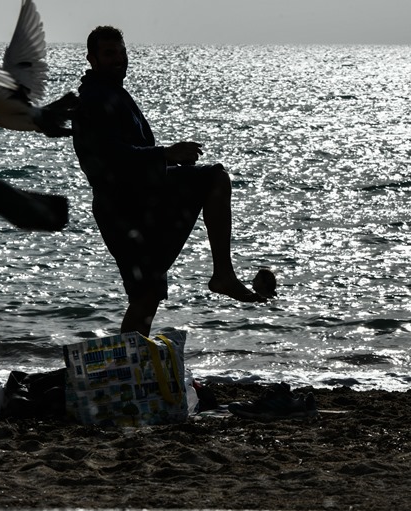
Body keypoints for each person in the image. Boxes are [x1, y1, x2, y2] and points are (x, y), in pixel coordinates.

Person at [71, 26, 266, 336]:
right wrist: (163, 155)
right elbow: (109, 157)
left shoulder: (111, 93)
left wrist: (167, 158)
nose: (119, 59)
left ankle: (128, 370)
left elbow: (130, 153)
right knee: (215, 178)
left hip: (140, 200)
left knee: (147, 296)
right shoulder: (95, 99)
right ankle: (223, 274)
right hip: (122, 210)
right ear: (91, 58)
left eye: (122, 52)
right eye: (109, 54)